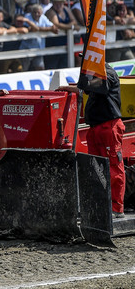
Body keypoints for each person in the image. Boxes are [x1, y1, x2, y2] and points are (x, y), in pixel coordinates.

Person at [58, 63, 124, 217]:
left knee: (114, 168)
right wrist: (70, 88)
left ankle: (116, 209)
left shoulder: (108, 73)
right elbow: (88, 88)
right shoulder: (96, 75)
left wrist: (81, 83)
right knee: (96, 167)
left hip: (109, 126)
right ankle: (101, 206)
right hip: (96, 128)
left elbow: (98, 85)